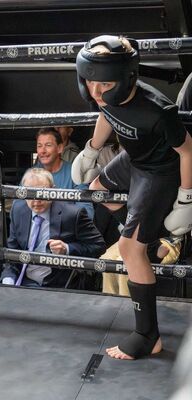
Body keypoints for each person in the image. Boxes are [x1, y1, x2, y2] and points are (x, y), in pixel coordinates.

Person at [72, 35, 192, 359]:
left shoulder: (158, 110)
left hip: (160, 171)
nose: (97, 92)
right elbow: (106, 113)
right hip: (134, 160)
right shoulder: (106, 95)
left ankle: (147, 335)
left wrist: (186, 198)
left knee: (128, 249)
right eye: (90, 82)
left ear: (126, 79)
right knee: (97, 191)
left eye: (105, 84)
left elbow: (188, 151)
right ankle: (146, 239)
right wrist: (91, 150)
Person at [0, 168, 106, 286]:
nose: (37, 200)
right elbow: (12, 250)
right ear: (23, 192)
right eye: (31, 193)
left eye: (42, 193)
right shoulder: (18, 209)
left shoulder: (73, 214)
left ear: (53, 191)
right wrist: (9, 280)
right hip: (23, 279)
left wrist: (67, 248)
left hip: (56, 284)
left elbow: (98, 246)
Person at [34, 127, 94, 219]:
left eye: (48, 145)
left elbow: (86, 213)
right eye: (39, 146)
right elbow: (18, 204)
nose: (43, 151)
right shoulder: (32, 174)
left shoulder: (75, 173)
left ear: (60, 148)